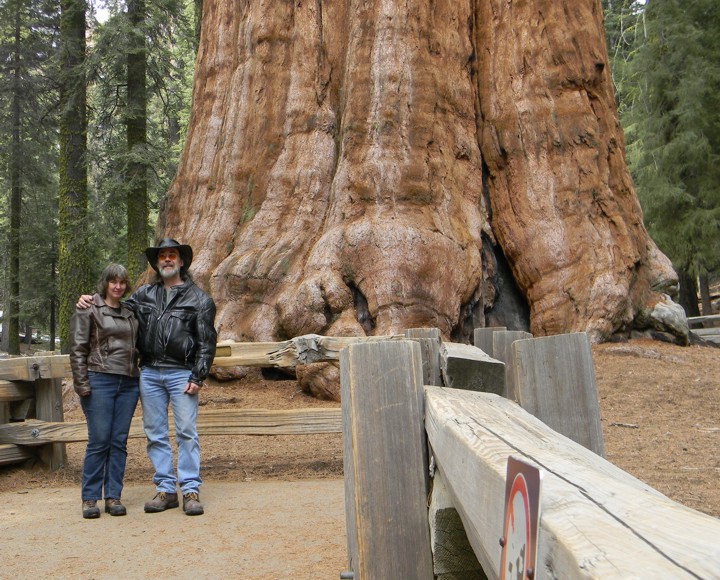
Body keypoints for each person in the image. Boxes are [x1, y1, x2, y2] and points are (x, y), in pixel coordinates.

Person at [78, 238, 217, 516]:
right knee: (155, 434)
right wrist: (90, 299)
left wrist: (198, 375)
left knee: (187, 432)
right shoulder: (144, 295)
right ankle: (166, 489)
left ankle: (190, 489)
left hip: (182, 373)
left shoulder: (199, 299)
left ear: (181, 262)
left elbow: (207, 342)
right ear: (157, 262)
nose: (167, 260)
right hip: (150, 372)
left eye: (172, 255)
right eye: (162, 256)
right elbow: (113, 304)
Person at [70, 264, 140, 519]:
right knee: (99, 440)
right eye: (113, 282)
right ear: (105, 283)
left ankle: (113, 496)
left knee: (118, 441)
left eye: (122, 282)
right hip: (99, 380)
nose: (118, 286)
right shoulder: (89, 309)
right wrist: (82, 384)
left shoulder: (131, 312)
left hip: (129, 382)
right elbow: (77, 349)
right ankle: (90, 498)